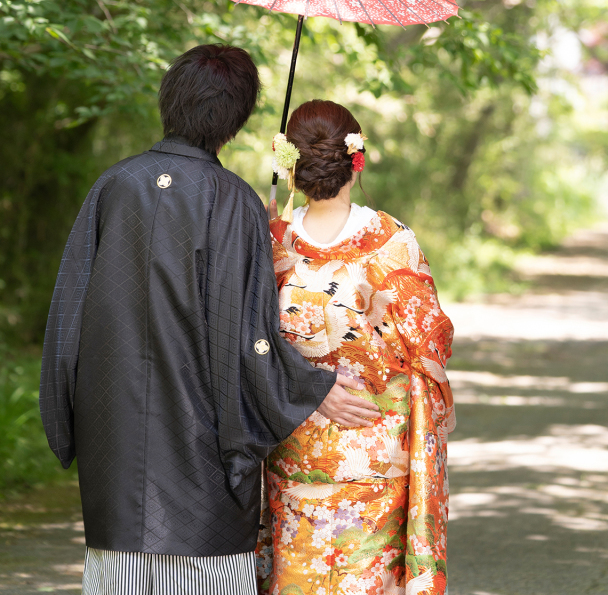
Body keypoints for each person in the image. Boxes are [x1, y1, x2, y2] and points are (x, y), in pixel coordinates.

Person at [40, 45, 379, 595]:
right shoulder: (233, 201)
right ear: (236, 119)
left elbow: (67, 315)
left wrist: (65, 420)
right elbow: (249, 339)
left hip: (114, 448)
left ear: (170, 100)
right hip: (200, 460)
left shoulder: (113, 186)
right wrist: (313, 387)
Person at [256, 99, 455, 595]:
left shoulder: (270, 245)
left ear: (290, 165)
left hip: (295, 442)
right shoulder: (392, 242)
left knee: (298, 578)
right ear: (356, 161)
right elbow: (429, 344)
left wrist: (257, 241)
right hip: (375, 444)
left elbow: (250, 344)